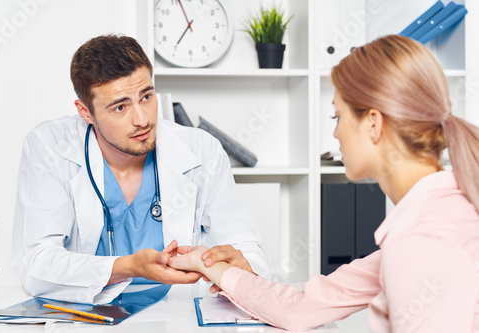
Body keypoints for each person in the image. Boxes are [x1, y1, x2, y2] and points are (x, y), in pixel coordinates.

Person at [167, 34, 479, 332]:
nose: (335, 134)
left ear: (373, 123)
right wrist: (208, 263)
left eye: (337, 117)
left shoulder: (424, 239)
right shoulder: (432, 221)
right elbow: (301, 307)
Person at [12, 34, 273, 304]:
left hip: (180, 310)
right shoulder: (50, 147)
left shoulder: (201, 150)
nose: (142, 119)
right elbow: (35, 263)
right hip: (88, 311)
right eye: (120, 107)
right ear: (85, 112)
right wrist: (127, 267)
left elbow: (247, 247)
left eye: (146, 96)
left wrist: (243, 266)